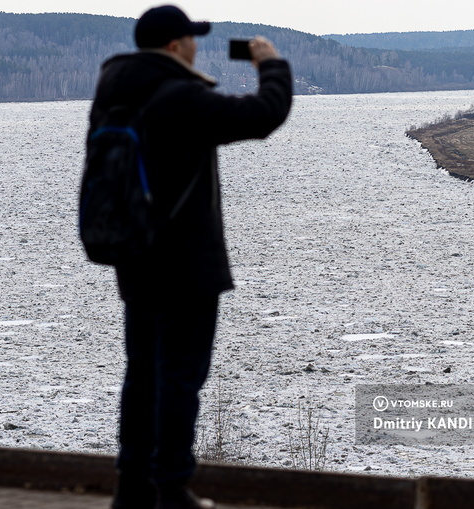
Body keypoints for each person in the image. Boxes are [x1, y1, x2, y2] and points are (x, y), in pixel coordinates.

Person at [87, 5, 293, 509]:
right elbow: (263, 116)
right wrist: (271, 64)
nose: (197, 45)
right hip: (183, 261)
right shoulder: (180, 96)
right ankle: (171, 488)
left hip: (132, 253)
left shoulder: (114, 90)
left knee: (141, 374)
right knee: (179, 376)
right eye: (191, 39)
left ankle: (131, 488)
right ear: (176, 45)